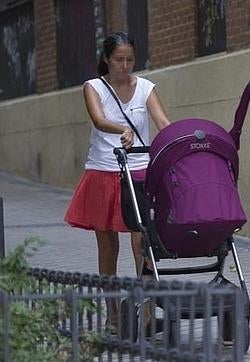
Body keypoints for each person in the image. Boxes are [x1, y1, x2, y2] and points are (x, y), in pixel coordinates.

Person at [64, 31, 171, 330]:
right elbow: (98, 120)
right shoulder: (93, 87)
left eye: (130, 60)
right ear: (106, 60)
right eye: (118, 60)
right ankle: (112, 313)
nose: (125, 66)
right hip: (104, 170)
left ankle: (147, 311)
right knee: (108, 247)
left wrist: (178, 139)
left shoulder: (146, 88)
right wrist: (120, 128)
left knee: (142, 241)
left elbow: (163, 122)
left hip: (139, 170)